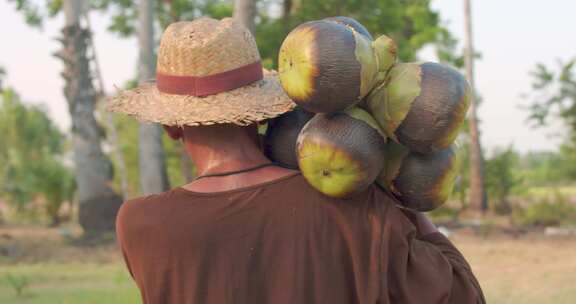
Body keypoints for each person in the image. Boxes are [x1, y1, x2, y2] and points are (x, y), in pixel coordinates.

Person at [108, 17, 485, 304]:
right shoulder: (358, 207)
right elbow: (461, 295)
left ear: (172, 127)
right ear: (260, 112)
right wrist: (395, 179)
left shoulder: (140, 226)